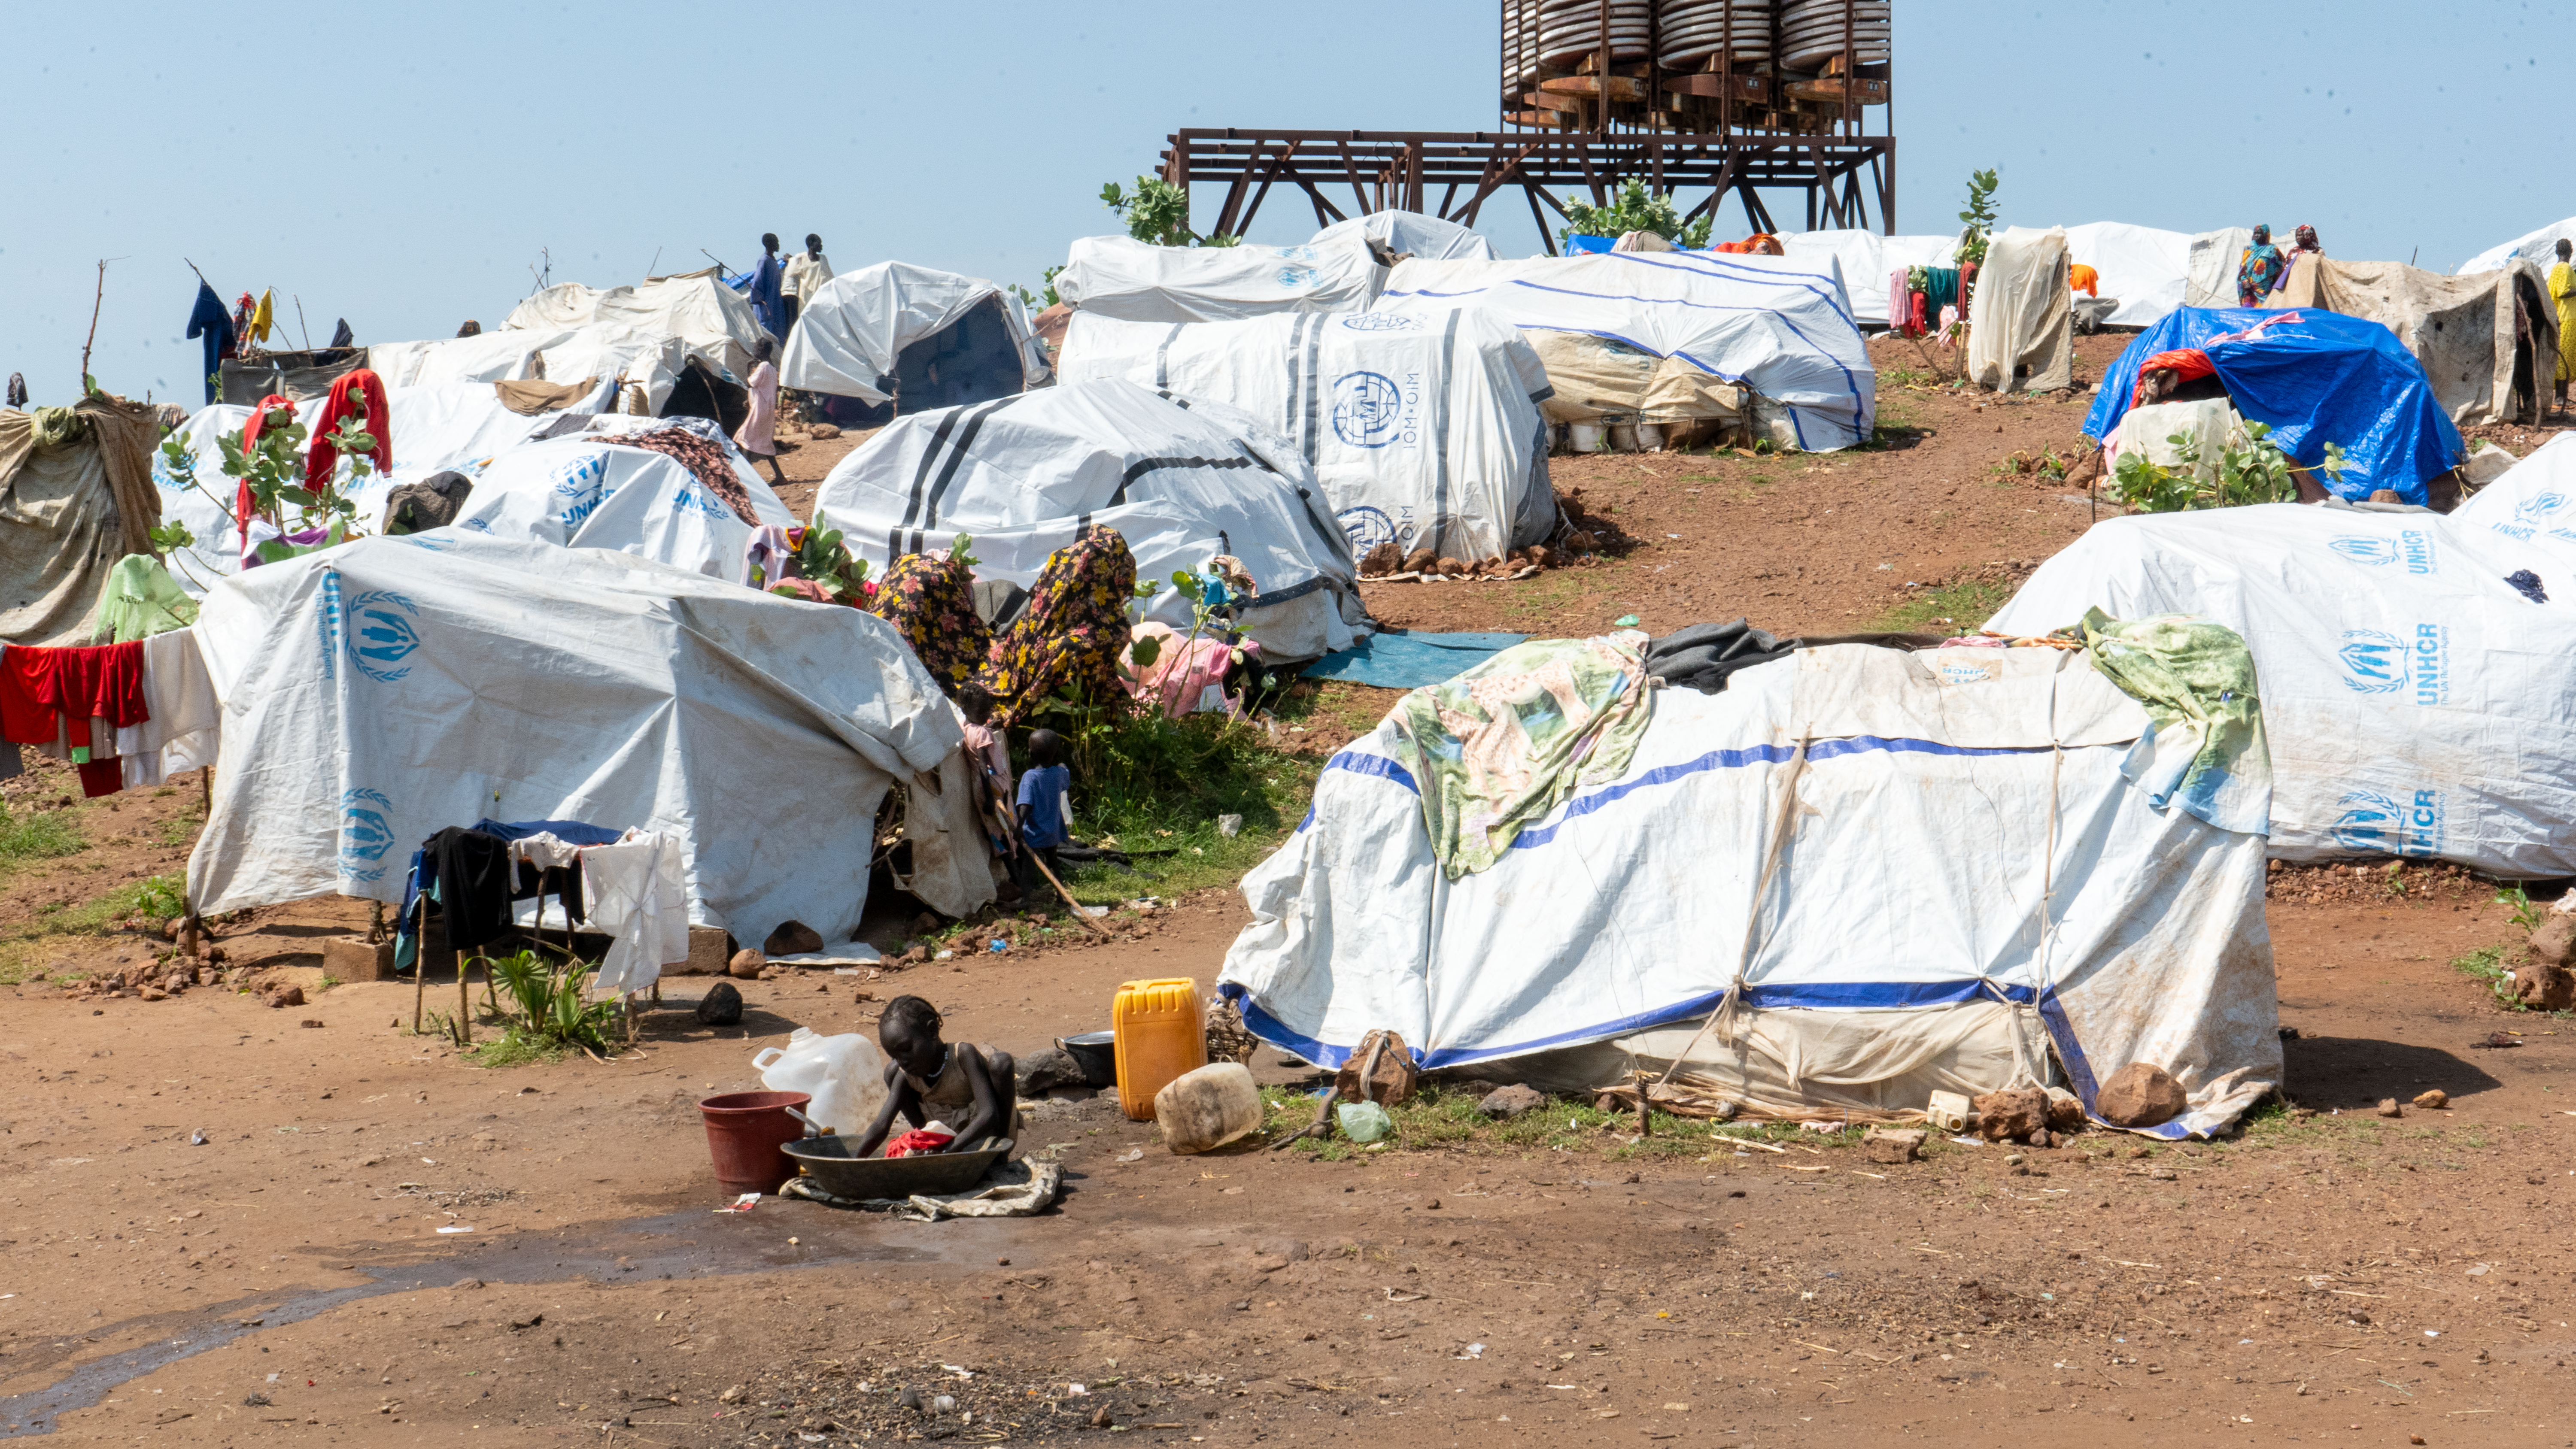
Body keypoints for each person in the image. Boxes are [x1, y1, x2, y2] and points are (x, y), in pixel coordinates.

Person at [851, 995, 1017, 1158]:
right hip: (945, 1143)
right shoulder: (906, 1074)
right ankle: (927, 1142)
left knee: (1001, 1063)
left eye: (907, 1049)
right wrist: (854, 1162)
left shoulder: (963, 1056)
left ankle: (997, 1157)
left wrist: (947, 1152)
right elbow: (882, 1124)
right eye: (895, 1056)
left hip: (985, 1134)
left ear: (932, 1031)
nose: (903, 1062)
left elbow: (989, 1115)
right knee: (891, 1072)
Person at [1015, 728, 1074, 891]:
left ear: (1030, 753)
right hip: (1053, 829)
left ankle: (1025, 898)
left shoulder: (1030, 777)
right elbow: (1065, 773)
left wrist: (1019, 827)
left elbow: (1025, 805)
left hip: (1033, 831)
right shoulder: (1059, 774)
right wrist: (1062, 764)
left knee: (1028, 865)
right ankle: (1061, 895)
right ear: (1056, 754)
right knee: (1053, 861)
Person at [734, 336, 787, 485]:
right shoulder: (771, 368)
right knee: (763, 443)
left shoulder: (763, 367)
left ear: (761, 351)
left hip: (760, 408)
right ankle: (779, 476)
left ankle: (745, 479)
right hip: (767, 408)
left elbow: (751, 383)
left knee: (747, 439)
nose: (753, 351)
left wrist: (749, 369)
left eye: (756, 349)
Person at [782, 233, 832, 334]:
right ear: (812, 244)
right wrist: (790, 260)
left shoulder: (823, 259)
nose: (822, 246)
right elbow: (792, 268)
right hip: (806, 299)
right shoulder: (802, 258)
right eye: (820, 243)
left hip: (821, 298)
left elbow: (830, 278)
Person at [747, 233, 786, 341]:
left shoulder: (774, 261)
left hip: (776, 305)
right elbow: (757, 283)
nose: (778, 245)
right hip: (766, 307)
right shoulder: (764, 260)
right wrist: (761, 301)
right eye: (776, 242)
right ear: (769, 244)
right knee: (767, 334)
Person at [2552, 239, 2576, 411]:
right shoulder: (2565, 269)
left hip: (2562, 317)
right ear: (2572, 251)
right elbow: (2564, 293)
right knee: (2565, 358)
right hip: (2567, 318)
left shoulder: (2555, 269)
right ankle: (2560, 397)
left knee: (2565, 357)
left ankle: (2563, 396)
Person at [2237, 224, 2287, 306]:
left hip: (2266, 290)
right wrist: (2245, 281)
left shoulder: (2273, 250)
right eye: (2255, 233)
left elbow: (2281, 267)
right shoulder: (2248, 249)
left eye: (2259, 233)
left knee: (2265, 312)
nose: (2256, 236)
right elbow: (2242, 269)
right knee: (2249, 313)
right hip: (2249, 290)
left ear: (2266, 234)